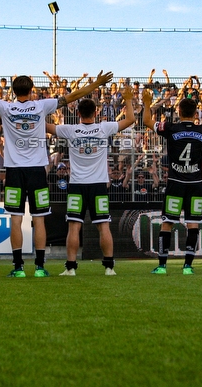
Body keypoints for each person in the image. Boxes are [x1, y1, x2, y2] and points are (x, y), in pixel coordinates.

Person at [0, 63, 111, 278]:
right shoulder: (41, 106)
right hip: (37, 171)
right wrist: (97, 83)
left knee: (16, 219)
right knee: (39, 219)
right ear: (31, 91)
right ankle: (39, 267)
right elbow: (73, 95)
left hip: (14, 171)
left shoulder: (6, 107)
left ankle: (18, 267)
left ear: (13, 91)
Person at [45, 86, 136, 276]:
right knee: (103, 225)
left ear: (78, 113)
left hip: (77, 185)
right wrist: (127, 99)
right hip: (98, 185)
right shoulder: (104, 128)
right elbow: (130, 120)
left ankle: (70, 268)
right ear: (96, 112)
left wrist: (40, 111)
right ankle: (109, 267)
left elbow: (47, 127)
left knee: (74, 226)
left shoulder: (71, 130)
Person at [143, 86, 202, 275]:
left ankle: (162, 266)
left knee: (167, 222)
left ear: (179, 111)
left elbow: (146, 121)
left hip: (175, 183)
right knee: (193, 223)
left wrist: (146, 102)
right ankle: (188, 266)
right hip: (195, 184)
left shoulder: (171, 128)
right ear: (195, 113)